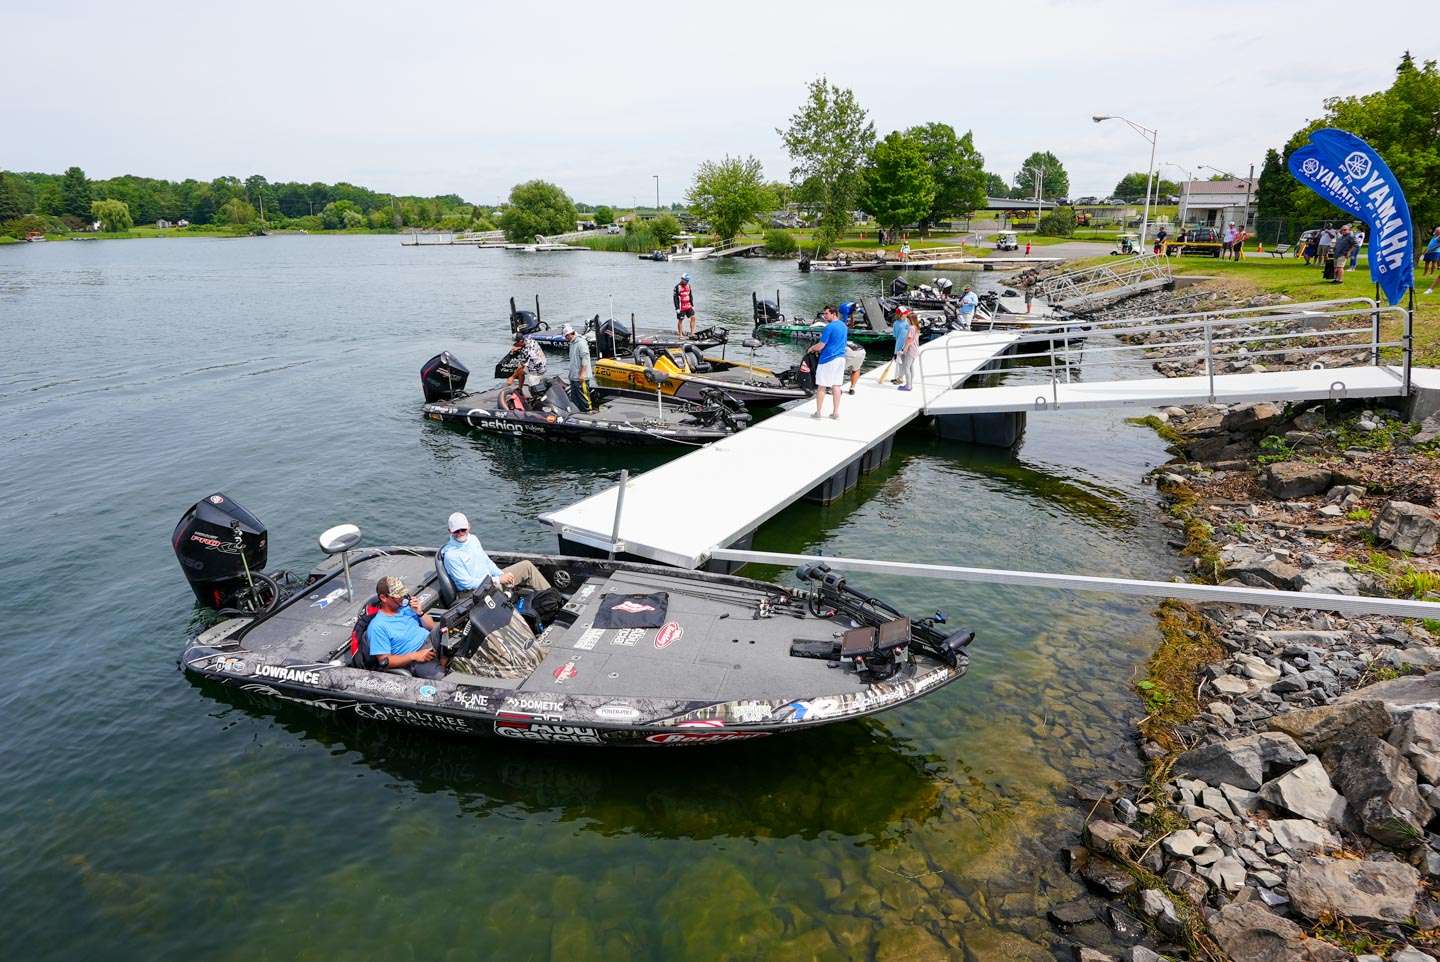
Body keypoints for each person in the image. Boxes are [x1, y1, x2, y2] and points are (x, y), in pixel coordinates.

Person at [442, 512, 552, 594]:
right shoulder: (451, 555)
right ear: (450, 531)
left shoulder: (473, 539)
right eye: (456, 531)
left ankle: (551, 597)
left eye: (463, 529)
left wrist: (500, 574)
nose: (460, 533)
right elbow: (467, 584)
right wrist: (498, 580)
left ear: (469, 527)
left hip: (490, 581)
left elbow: (487, 562)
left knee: (527, 566)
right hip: (474, 592)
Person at [366, 575, 443, 679]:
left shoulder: (406, 606)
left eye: (403, 593)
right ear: (383, 598)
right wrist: (414, 656)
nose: (402, 597)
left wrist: (419, 612)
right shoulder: (377, 626)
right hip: (415, 658)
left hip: (431, 641)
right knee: (443, 678)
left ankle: (445, 659)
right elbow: (384, 661)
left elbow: (431, 626)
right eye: (398, 595)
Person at [806, 304, 848, 420]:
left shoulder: (829, 327)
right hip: (841, 359)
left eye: (826, 314)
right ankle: (835, 413)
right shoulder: (844, 326)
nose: (824, 316)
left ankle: (818, 413)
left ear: (833, 314)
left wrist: (811, 348)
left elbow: (821, 345)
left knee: (821, 386)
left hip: (828, 359)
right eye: (824, 313)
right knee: (836, 386)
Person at [505, 332, 547, 403]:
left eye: (515, 343)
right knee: (520, 372)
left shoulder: (529, 350)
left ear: (520, 341)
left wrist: (512, 377)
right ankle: (520, 389)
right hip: (538, 363)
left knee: (532, 386)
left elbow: (522, 365)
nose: (514, 345)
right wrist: (518, 349)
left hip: (537, 369)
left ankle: (536, 400)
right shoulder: (528, 340)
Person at [563, 323, 595, 412]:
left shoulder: (581, 343)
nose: (566, 339)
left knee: (584, 397)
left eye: (566, 336)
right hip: (574, 377)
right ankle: (577, 413)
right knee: (574, 398)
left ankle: (589, 412)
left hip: (581, 377)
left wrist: (582, 374)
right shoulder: (572, 343)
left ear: (571, 334)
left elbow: (584, 359)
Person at [897, 313, 921, 392]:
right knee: (910, 367)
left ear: (910, 320)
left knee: (906, 367)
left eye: (907, 319)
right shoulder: (916, 327)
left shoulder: (911, 328)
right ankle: (909, 383)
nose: (906, 321)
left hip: (910, 350)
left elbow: (909, 340)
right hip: (915, 349)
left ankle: (908, 386)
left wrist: (904, 349)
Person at [890, 306, 912, 384]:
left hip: (908, 345)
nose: (905, 315)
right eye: (903, 314)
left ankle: (904, 379)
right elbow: (896, 336)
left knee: (908, 364)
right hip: (899, 345)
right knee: (900, 363)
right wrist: (896, 350)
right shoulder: (896, 323)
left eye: (906, 314)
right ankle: (899, 377)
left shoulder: (908, 321)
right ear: (899, 315)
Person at [1423, 227, 1440, 294]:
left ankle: (1430, 290)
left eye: (1437, 231)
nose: (1435, 232)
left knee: (1434, 263)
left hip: (1435, 252)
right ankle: (1430, 290)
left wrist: (1433, 248)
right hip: (1429, 252)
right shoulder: (1435, 237)